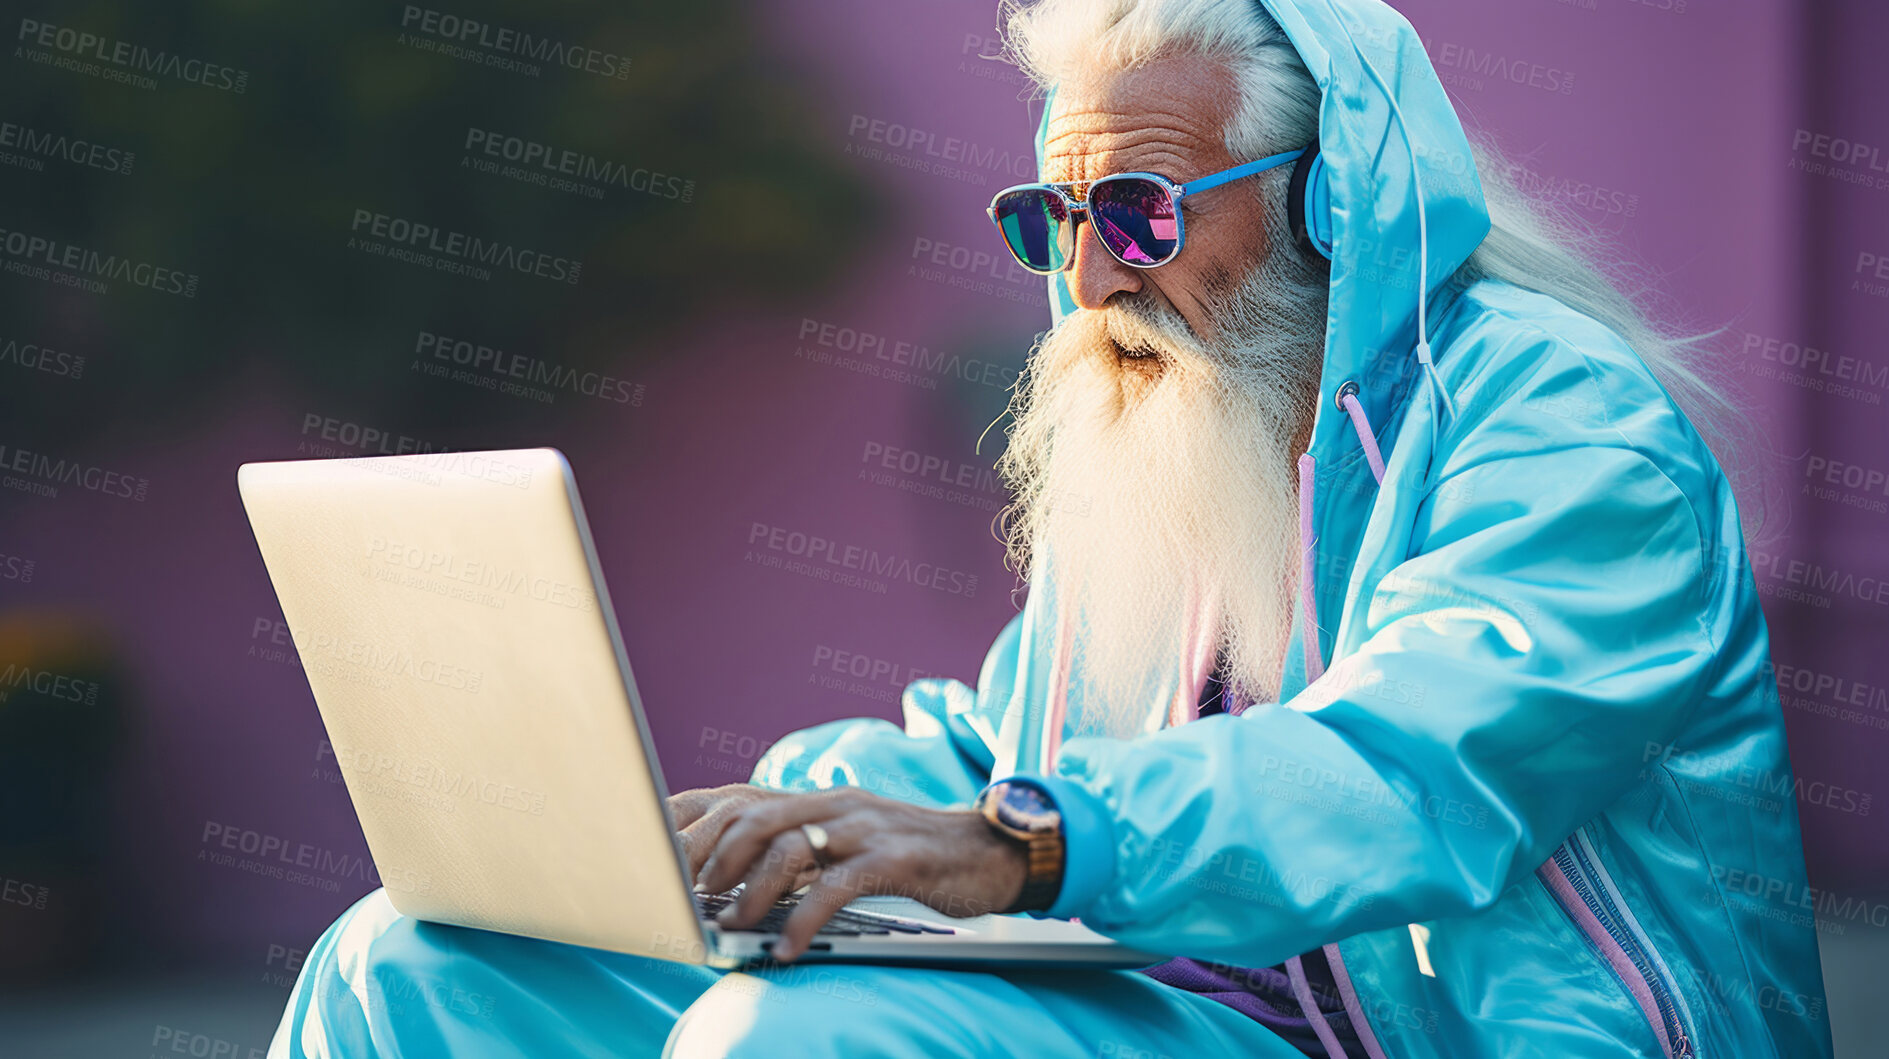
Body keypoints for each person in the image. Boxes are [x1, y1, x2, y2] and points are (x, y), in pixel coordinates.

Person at [269, 1, 1833, 1056]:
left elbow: (1406, 770)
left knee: (801, 1041)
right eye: (1054, 220)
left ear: (1328, 199)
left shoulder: (1565, 428)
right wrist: (770, 822)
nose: (1087, 281)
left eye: (1140, 213)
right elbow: (1000, 739)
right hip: (1176, 1001)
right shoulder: (1187, 419)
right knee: (409, 965)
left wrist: (1025, 843)